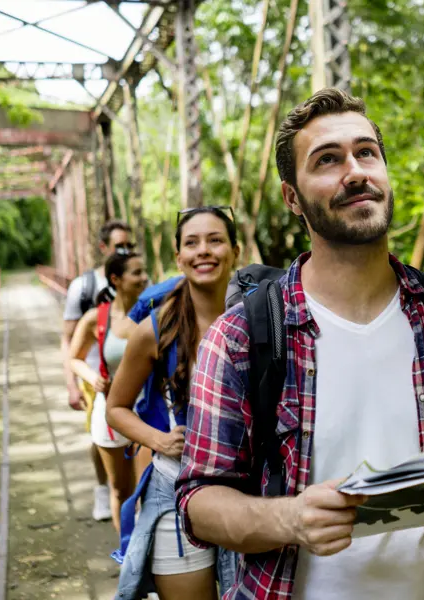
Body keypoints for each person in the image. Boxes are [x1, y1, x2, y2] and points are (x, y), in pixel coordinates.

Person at [175, 88, 424, 599]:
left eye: (367, 153)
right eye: (327, 160)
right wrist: (290, 518)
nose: (355, 171)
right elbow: (199, 500)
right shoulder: (240, 337)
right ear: (292, 197)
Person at [106, 207, 239, 600]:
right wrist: (159, 440)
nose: (204, 251)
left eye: (215, 240)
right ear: (178, 257)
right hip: (177, 490)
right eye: (192, 243)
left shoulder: (257, 318)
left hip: (247, 492)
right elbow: (117, 408)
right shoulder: (155, 329)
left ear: (234, 249)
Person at [69, 250, 149, 532]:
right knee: (120, 491)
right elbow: (74, 357)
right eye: (136, 273)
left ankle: (149, 557)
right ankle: (127, 555)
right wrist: (93, 379)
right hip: (111, 412)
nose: (144, 278)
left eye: (144, 271)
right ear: (116, 279)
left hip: (148, 411)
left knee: (149, 491)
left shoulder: (154, 311)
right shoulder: (96, 318)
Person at [62, 220, 134, 522]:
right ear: (104, 248)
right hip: (97, 376)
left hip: (132, 370)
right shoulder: (84, 286)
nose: (126, 251)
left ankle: (126, 493)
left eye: (129, 245)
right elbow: (67, 338)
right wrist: (73, 385)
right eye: (119, 246)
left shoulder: (137, 277)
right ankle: (105, 488)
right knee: (100, 436)